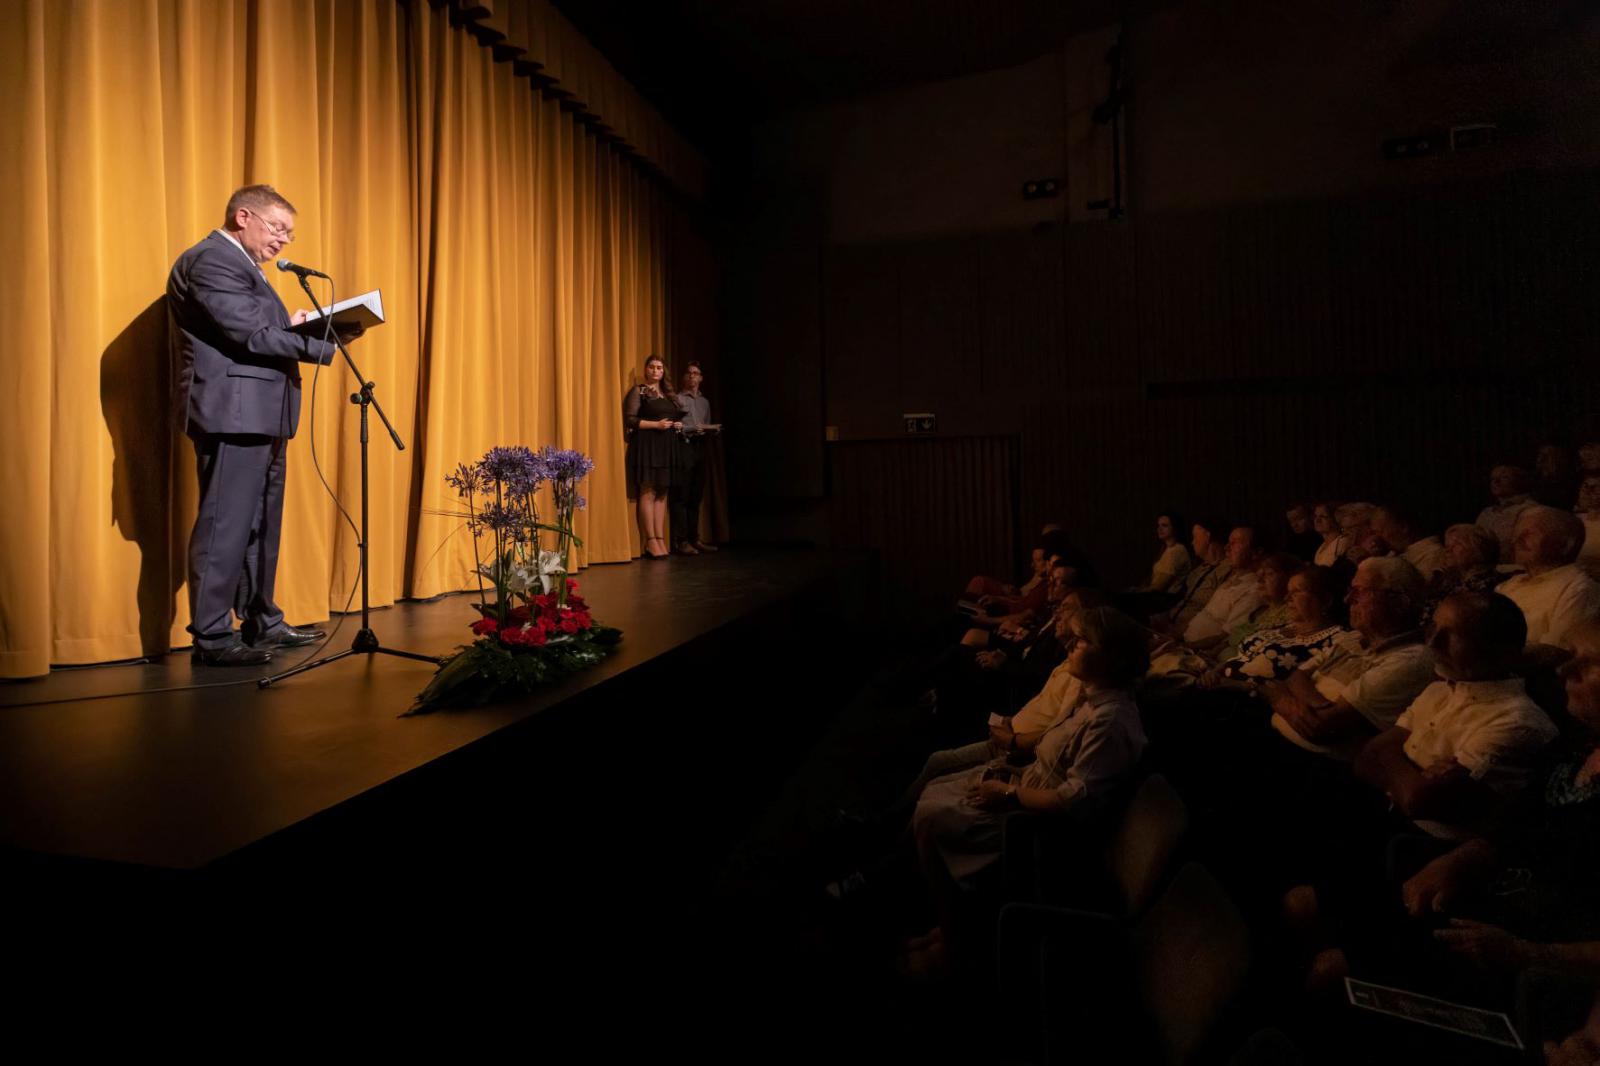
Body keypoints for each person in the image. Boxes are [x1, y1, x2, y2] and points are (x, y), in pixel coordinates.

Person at [168, 184, 348, 666]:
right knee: (225, 524)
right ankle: (211, 637)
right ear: (243, 216)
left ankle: (261, 620)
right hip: (233, 413)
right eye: (278, 228)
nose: (283, 240)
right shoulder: (212, 260)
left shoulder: (246, 266)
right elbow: (249, 334)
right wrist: (321, 342)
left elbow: (260, 330)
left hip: (262, 412)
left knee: (261, 524)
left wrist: (297, 329)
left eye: (289, 233)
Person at [1498, 506, 1600, 657]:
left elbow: (1554, 651)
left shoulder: (1578, 588)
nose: (1517, 539)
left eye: (1531, 534)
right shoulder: (1509, 584)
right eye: (1517, 532)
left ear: (1566, 544)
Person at [622, 354, 681, 560]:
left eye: (659, 368)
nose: (656, 371)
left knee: (662, 493)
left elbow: (673, 416)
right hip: (647, 446)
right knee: (647, 492)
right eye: (652, 367)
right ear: (646, 370)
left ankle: (660, 537)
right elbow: (630, 420)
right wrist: (656, 424)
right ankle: (650, 540)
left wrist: (676, 424)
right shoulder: (639, 391)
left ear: (663, 372)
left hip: (666, 447)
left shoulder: (668, 394)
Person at [669, 361, 718, 555]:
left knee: (696, 496)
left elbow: (706, 424)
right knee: (682, 495)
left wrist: (711, 430)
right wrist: (691, 429)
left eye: (696, 373)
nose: (692, 376)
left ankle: (694, 538)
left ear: (701, 378)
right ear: (684, 377)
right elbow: (675, 426)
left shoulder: (705, 402)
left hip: (701, 449)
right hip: (685, 447)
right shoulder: (678, 399)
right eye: (689, 373)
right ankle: (681, 541)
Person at [1476, 463, 1536, 563]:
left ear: (1519, 481)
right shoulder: (1486, 513)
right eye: (1493, 479)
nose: (1496, 482)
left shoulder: (1530, 509)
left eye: (1504, 477)